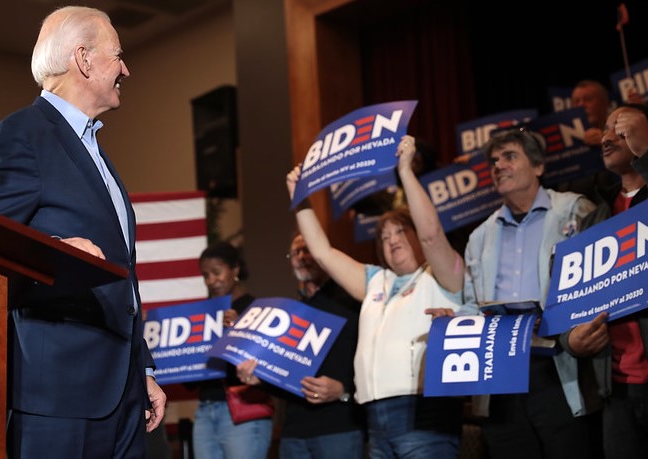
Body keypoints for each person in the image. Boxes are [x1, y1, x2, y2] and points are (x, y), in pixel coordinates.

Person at [0, 6, 165, 458]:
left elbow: (123, 277)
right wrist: (53, 252)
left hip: (125, 396)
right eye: (118, 56)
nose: (126, 69)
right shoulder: (19, 136)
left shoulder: (97, 151)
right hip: (58, 398)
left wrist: (144, 369)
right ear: (84, 59)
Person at [285, 135, 465, 458]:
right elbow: (323, 253)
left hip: (424, 415)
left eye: (400, 232)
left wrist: (406, 171)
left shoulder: (441, 274)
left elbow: (431, 233)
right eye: (384, 236)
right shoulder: (377, 282)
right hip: (375, 421)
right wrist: (300, 198)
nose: (392, 240)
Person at [559, 103, 648, 459]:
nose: (605, 137)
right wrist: (572, 340)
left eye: (619, 126)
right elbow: (566, 309)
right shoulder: (594, 222)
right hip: (616, 395)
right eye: (603, 129)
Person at [461, 128, 602, 459]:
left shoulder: (573, 211)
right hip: (500, 376)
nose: (499, 165)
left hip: (558, 365)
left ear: (538, 167)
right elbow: (471, 304)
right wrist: (454, 322)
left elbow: (600, 283)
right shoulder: (479, 237)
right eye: (494, 161)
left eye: (510, 156)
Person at [237, 232, 366, 458]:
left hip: (340, 431)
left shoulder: (353, 305)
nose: (301, 256)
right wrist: (260, 379)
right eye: (295, 252)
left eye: (307, 249)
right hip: (294, 434)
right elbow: (288, 376)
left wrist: (344, 391)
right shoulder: (289, 314)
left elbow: (372, 362)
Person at [192, 241, 273, 459]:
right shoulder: (202, 315)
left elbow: (270, 364)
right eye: (205, 275)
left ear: (235, 269)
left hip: (244, 409)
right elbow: (190, 378)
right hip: (205, 410)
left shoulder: (258, 309)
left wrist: (241, 331)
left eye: (217, 272)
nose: (211, 281)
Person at [571, 79, 613, 147]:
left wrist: (606, 142)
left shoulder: (622, 131)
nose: (581, 105)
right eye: (576, 101)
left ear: (605, 103)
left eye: (588, 99)